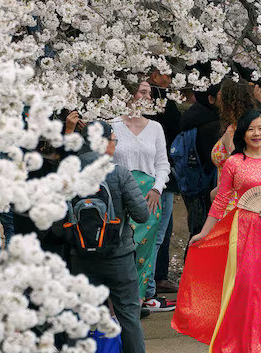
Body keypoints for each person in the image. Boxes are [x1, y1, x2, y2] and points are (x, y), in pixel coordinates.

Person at [172, 110, 261, 352]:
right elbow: (220, 200)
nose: (256, 134)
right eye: (250, 129)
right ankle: (239, 345)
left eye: (260, 128)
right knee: (244, 288)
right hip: (244, 231)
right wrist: (205, 232)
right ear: (242, 134)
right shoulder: (234, 163)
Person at [68, 121, 151, 353]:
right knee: (129, 319)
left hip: (81, 258)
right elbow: (142, 215)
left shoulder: (68, 174)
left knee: (81, 321)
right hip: (119, 257)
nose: (115, 145)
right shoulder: (119, 173)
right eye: (114, 140)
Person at [110, 80, 174, 313]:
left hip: (149, 197)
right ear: (129, 95)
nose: (148, 97)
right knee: (119, 246)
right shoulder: (113, 125)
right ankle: (116, 299)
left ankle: (136, 302)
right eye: (143, 92)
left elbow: (162, 164)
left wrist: (157, 188)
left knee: (144, 250)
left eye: (149, 93)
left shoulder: (155, 127)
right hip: (119, 195)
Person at [147, 70, 182, 295]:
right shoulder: (162, 102)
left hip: (160, 171)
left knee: (161, 229)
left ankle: (154, 279)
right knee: (158, 231)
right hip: (158, 173)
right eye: (165, 74)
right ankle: (151, 283)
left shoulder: (160, 103)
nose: (170, 79)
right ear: (154, 75)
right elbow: (177, 125)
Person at [175, 82, 221, 240]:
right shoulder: (212, 126)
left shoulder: (193, 118)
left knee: (197, 231)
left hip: (192, 185)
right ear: (211, 99)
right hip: (206, 187)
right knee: (205, 234)